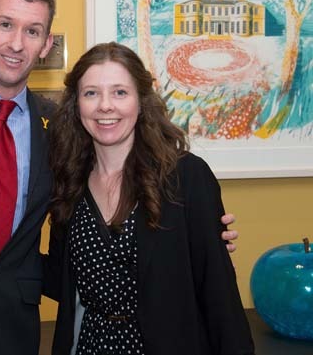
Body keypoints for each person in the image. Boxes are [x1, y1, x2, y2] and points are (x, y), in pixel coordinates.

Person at [0, 0, 238, 355]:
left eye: (32, 31)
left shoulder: (55, 128)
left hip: (18, 333)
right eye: (5, 24)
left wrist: (201, 241)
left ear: (46, 45)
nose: (16, 43)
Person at [43, 42, 254, 355]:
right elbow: (61, 280)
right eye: (91, 93)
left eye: (119, 92)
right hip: (88, 345)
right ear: (76, 105)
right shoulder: (68, 183)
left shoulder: (185, 177)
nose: (105, 106)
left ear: (141, 102)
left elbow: (218, 294)